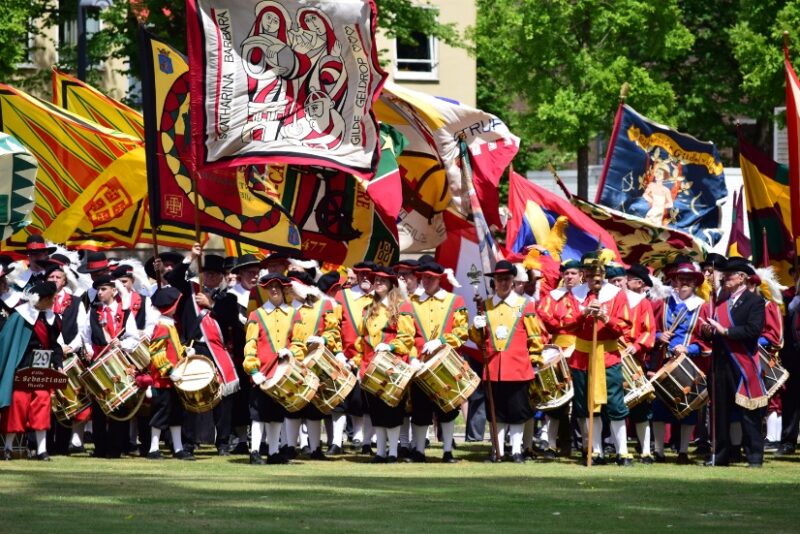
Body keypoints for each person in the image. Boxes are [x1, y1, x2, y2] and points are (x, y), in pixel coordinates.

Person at [166, 245, 242, 455]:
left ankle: (223, 442)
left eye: (215, 274)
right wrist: (190, 257)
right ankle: (188, 443)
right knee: (191, 397)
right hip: (194, 349)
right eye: (207, 273)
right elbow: (172, 278)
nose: (210, 277)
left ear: (221, 277)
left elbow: (232, 323)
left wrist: (211, 305)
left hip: (218, 351)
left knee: (223, 399)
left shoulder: (229, 299)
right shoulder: (190, 291)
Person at [469, 260, 547, 463]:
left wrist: (535, 360)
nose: (503, 283)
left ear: (513, 281)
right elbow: (479, 341)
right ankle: (498, 450)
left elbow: (534, 336)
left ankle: (516, 450)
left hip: (518, 366)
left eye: (506, 279)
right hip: (494, 367)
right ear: (494, 281)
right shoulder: (485, 306)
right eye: (499, 279)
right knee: (497, 412)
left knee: (518, 412)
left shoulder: (525, 305)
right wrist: (476, 327)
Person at [560, 252, 632, 466]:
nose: (594, 278)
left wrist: (605, 318)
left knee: (616, 404)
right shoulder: (575, 295)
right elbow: (565, 322)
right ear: (584, 274)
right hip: (582, 357)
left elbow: (624, 325)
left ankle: (623, 452)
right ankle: (596, 450)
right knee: (586, 406)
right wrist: (583, 314)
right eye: (589, 274)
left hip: (608, 356)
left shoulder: (616, 294)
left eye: (597, 273)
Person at [702, 258, 766, 467]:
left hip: (742, 363)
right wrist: (708, 333)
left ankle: (754, 457)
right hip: (721, 364)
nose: (725, 277)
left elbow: (753, 330)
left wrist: (726, 331)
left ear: (741, 278)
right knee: (720, 412)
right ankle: (720, 456)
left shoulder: (754, 301)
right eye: (725, 274)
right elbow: (714, 336)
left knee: (749, 414)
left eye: (730, 274)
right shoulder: (721, 304)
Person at [408, 261, 469, 463]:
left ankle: (448, 450)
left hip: (446, 363)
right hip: (420, 364)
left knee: (448, 409)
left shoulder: (455, 300)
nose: (426, 281)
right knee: (420, 409)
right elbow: (406, 334)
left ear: (439, 278)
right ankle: (418, 450)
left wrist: (442, 340)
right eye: (424, 277)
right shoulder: (412, 301)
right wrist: (412, 357)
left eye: (431, 278)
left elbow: (462, 332)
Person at [651, 262, 711, 464]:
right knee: (659, 407)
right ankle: (659, 451)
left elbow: (707, 340)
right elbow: (646, 327)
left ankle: (683, 451)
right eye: (680, 279)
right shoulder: (662, 303)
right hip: (663, 362)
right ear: (674, 281)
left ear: (695, 283)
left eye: (689, 279)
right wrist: (659, 335)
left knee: (688, 408)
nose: (684, 283)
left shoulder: (702, 307)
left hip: (688, 363)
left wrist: (689, 348)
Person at [355, 266, 416, 463]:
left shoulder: (401, 307)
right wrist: (358, 365)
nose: (378, 282)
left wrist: (389, 347)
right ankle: (380, 451)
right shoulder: (367, 309)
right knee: (376, 411)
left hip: (392, 365)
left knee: (392, 409)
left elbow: (407, 339)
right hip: (370, 366)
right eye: (376, 279)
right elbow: (361, 340)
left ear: (391, 284)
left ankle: (392, 452)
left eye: (383, 279)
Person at [0, 281, 63, 461]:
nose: (53, 301)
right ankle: (8, 448)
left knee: (42, 404)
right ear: (42, 299)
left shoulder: (52, 318)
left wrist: (58, 363)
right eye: (51, 298)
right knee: (17, 405)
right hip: (21, 369)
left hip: (42, 371)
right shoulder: (19, 317)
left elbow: (54, 345)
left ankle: (42, 450)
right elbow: (7, 343)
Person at [81, 275, 140, 458]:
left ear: (114, 291)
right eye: (98, 290)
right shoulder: (93, 312)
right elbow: (85, 335)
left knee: (119, 404)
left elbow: (134, 338)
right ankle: (100, 448)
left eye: (104, 289)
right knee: (99, 406)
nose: (100, 293)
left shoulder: (126, 313)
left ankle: (116, 448)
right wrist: (89, 350)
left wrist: (121, 344)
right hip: (99, 360)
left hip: (119, 361)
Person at [287, 270, 342, 460]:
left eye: (291, 285)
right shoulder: (285, 306)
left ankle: (315, 448)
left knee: (314, 408)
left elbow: (333, 330)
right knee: (292, 406)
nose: (288, 289)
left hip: (314, 362)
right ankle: (289, 447)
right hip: (291, 362)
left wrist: (322, 340)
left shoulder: (324, 304)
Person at [242, 273, 294, 465]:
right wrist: (253, 371)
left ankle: (273, 452)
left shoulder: (293, 314)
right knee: (258, 416)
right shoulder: (256, 315)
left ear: (283, 290)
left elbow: (298, 342)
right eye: (270, 287)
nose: (274, 290)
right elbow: (250, 345)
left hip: (281, 375)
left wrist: (290, 353)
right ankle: (254, 451)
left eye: (277, 287)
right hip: (261, 374)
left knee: (276, 416)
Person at [536, 259, 582, 458]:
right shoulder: (552, 297)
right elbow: (545, 318)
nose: (569, 277)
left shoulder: (587, 296)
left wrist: (564, 324)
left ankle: (585, 444)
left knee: (580, 401)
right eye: (566, 273)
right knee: (556, 400)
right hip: (557, 353)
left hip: (581, 351)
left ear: (581, 275)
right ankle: (552, 445)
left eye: (573, 273)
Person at [146, 286, 195, 461]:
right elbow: (157, 353)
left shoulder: (170, 325)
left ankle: (178, 447)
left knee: (176, 415)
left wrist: (184, 351)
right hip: (163, 380)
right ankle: (153, 448)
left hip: (174, 380)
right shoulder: (162, 327)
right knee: (161, 414)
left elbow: (173, 348)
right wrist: (170, 370)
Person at [336, 261, 376, 453]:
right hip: (344, 357)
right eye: (361, 274)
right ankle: (336, 441)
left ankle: (364, 439)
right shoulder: (343, 296)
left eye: (369, 274)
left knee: (367, 401)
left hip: (370, 358)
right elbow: (333, 326)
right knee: (340, 401)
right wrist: (337, 353)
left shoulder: (380, 298)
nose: (365, 278)